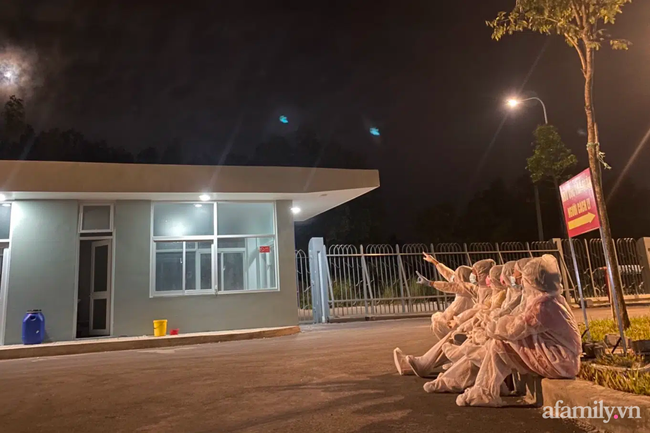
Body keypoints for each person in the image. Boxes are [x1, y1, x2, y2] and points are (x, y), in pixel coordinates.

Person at [455, 255, 581, 407]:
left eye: (517, 274)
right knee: (499, 344)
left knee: (499, 343)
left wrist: (491, 327)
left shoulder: (543, 306)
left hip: (561, 362)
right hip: (559, 356)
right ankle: (484, 388)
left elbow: (514, 329)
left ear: (530, 278)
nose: (514, 277)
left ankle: (484, 390)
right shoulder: (550, 299)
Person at [393, 259, 495, 377]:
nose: (473, 276)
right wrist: (436, 264)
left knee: (448, 333)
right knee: (450, 337)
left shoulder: (484, 292)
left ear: (482, 274)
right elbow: (453, 280)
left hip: (481, 330)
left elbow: (479, 310)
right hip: (474, 327)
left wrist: (459, 321)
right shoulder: (480, 289)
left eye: (475, 273)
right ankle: (418, 364)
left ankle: (422, 364)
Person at [421, 253, 475, 342]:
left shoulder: (464, 289)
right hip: (462, 319)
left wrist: (430, 283)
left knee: (437, 323)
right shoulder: (468, 284)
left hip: (459, 322)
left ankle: (451, 342)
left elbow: (448, 286)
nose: (454, 278)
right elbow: (449, 275)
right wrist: (434, 262)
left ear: (460, 277)